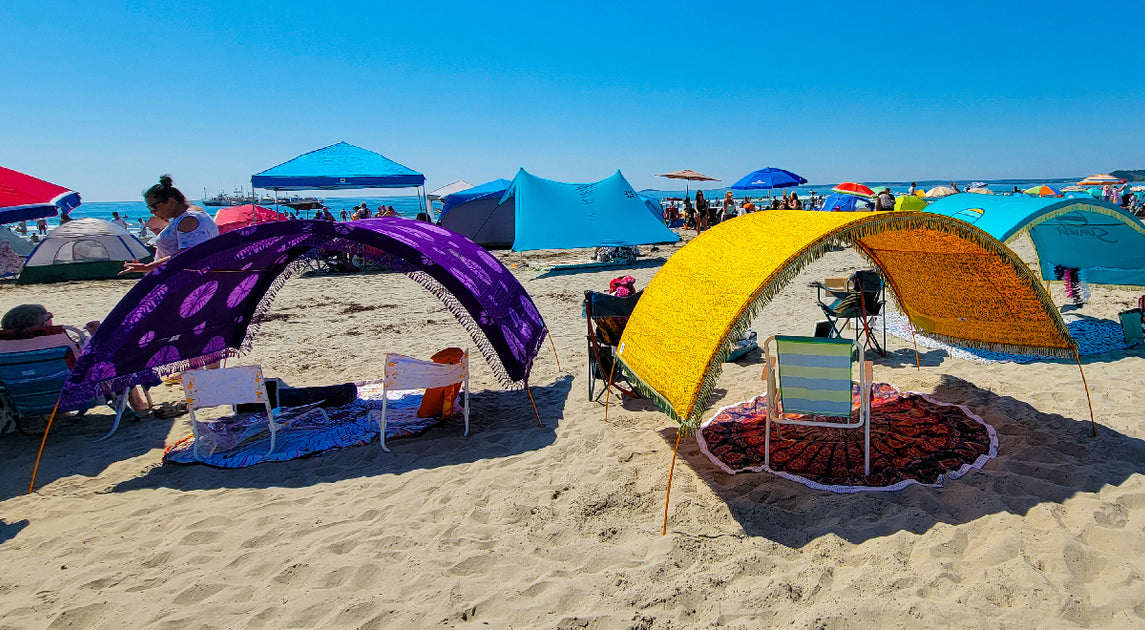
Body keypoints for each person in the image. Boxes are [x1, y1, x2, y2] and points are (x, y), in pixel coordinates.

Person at [0, 304, 151, 413]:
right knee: (117, 363)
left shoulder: (4, 349)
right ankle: (139, 405)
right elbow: (92, 362)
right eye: (49, 316)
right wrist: (98, 335)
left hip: (23, 399)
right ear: (44, 323)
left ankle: (56, 415)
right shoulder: (59, 342)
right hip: (76, 396)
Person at [122, 175, 219, 275]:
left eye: (153, 207)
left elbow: (187, 255)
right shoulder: (193, 213)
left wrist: (148, 267)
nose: (152, 212)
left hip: (180, 281)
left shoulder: (189, 220)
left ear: (171, 202)